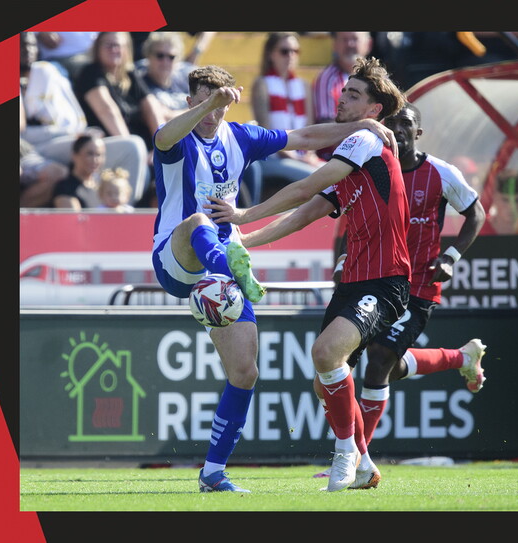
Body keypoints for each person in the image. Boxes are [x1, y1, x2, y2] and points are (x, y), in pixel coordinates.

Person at [150, 64, 396, 493]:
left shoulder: (240, 136)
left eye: (218, 103)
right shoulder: (179, 139)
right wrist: (210, 104)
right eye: (203, 102)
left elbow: (303, 138)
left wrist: (363, 125)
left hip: (219, 275)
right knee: (196, 220)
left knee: (244, 371)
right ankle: (233, 268)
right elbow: (161, 138)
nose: (213, 112)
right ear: (191, 102)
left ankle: (212, 473)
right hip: (179, 257)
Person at [232, 102, 489, 489]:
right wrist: (250, 241)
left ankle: (351, 454)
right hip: (359, 279)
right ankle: (457, 359)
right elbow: (324, 213)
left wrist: (451, 256)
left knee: (378, 360)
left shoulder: (433, 171)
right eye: (393, 124)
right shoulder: (361, 163)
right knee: (332, 378)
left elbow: (475, 212)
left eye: (407, 125)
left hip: (408, 283)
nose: (398, 131)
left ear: (415, 132)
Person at [20, 31, 148, 206]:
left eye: (32, 44)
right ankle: (121, 216)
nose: (29, 50)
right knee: (131, 146)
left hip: (70, 136)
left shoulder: (49, 71)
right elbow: (23, 132)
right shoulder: (44, 72)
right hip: (37, 147)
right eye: (22, 45)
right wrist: (78, 134)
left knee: (139, 156)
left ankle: (116, 211)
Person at [250, 32, 325, 201]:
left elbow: (311, 129)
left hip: (300, 155)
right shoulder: (262, 85)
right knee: (315, 177)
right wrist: (296, 157)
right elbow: (268, 133)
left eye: (295, 51)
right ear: (271, 54)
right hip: (274, 157)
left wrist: (308, 155)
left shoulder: (304, 86)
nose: (290, 56)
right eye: (284, 51)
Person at [75, 32, 165, 155]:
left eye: (118, 45)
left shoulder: (130, 75)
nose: (113, 49)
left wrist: (163, 146)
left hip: (143, 144)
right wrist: (132, 149)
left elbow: (150, 107)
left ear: (126, 48)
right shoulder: (91, 73)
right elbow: (107, 110)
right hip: (110, 146)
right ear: (98, 48)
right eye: (108, 45)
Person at [311, 32, 372, 160]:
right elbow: (327, 129)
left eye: (354, 39)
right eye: (344, 40)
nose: (349, 44)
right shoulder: (327, 79)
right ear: (334, 45)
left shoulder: (378, 80)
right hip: (336, 158)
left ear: (369, 44)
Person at [137, 32, 197, 122]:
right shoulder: (139, 83)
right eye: (160, 56)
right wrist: (197, 111)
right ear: (148, 56)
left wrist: (172, 114)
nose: (165, 62)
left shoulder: (185, 78)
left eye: (171, 57)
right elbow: (163, 118)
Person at [51, 132, 106, 209]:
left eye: (99, 155)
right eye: (90, 154)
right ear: (75, 155)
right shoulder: (66, 188)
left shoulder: (104, 186)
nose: (95, 160)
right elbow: (73, 219)